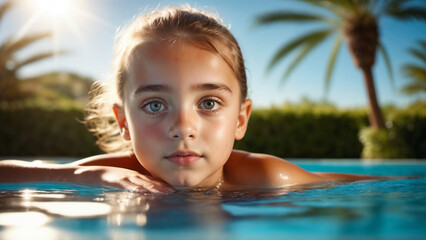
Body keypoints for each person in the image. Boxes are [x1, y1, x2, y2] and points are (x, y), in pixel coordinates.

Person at [0, 6, 381, 194]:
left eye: (209, 103)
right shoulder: (115, 175)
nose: (183, 127)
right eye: (154, 104)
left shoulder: (266, 178)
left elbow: (377, 186)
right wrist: (85, 174)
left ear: (240, 119)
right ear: (123, 122)